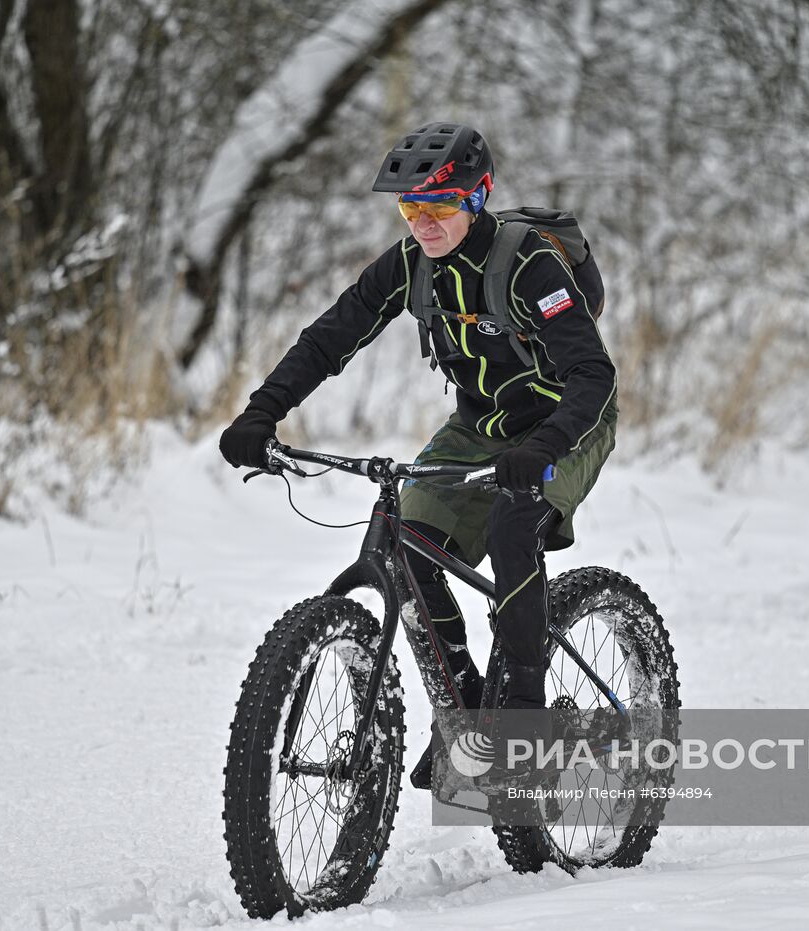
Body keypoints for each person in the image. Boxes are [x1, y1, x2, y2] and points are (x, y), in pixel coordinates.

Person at [218, 122, 617, 789]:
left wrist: (544, 445)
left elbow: (593, 373)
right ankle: (465, 719)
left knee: (512, 522)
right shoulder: (410, 265)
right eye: (409, 210)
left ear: (477, 196)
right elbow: (327, 340)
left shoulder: (528, 265)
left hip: (567, 421)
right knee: (405, 537)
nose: (421, 224)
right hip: (480, 424)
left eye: (437, 207)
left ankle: (522, 720)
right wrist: (263, 410)